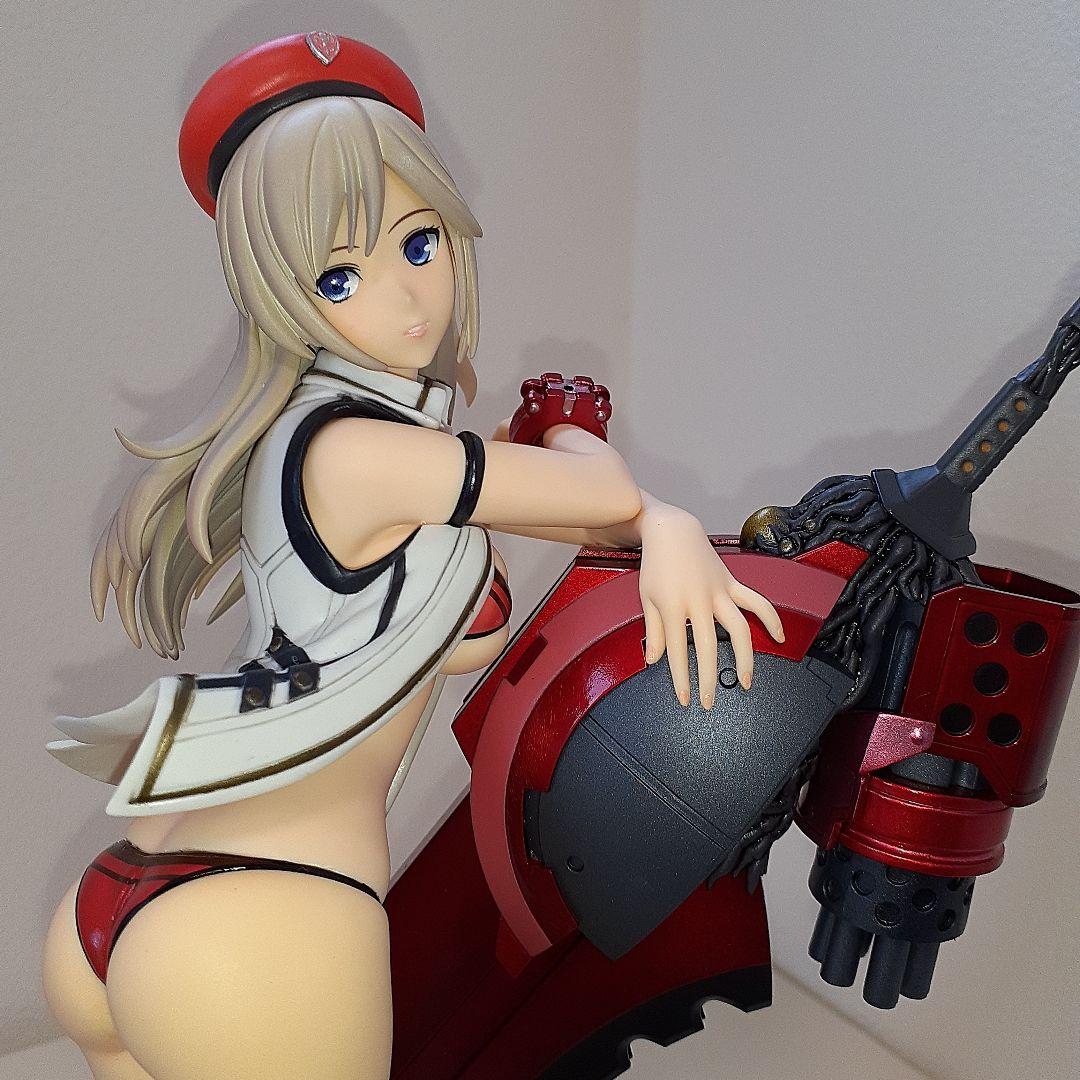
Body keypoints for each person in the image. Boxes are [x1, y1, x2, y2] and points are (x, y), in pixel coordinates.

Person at [41, 33, 784, 1080]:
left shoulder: (337, 438)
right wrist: (605, 462)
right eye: (340, 275)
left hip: (140, 895)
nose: (404, 299)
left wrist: (651, 519)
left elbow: (572, 510)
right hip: (263, 917)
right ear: (277, 291)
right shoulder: (358, 454)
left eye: (419, 243)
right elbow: (600, 495)